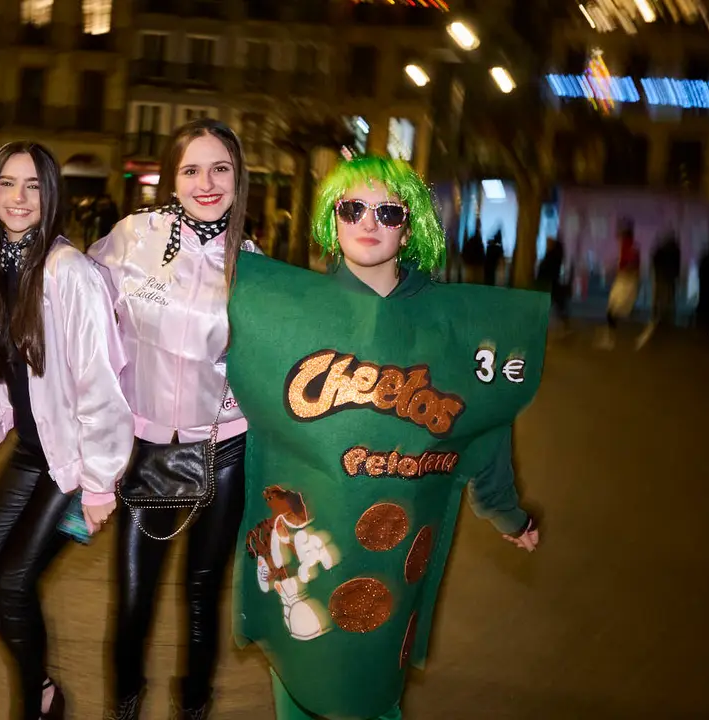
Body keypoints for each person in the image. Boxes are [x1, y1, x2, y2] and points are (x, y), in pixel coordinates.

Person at [227, 155, 545, 720]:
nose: (368, 221)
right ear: (333, 219)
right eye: (352, 208)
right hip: (310, 544)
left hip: (394, 558)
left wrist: (505, 512)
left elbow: (485, 421)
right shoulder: (290, 312)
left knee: (372, 692)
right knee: (301, 677)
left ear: (410, 223)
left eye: (387, 210)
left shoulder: (447, 325)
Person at [88, 118, 256, 720]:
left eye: (220, 169)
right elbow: (78, 307)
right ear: (171, 176)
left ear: (238, 178)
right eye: (191, 170)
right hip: (146, 446)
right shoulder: (133, 237)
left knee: (202, 598)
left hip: (225, 448)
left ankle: (194, 708)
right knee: (133, 600)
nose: (206, 183)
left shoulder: (254, 266)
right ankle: (125, 707)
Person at [0, 142, 133, 720]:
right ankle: (42, 691)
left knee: (12, 582)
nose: (18, 198)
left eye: (33, 186)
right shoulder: (1, 266)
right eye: (7, 184)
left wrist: (101, 484)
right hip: (33, 453)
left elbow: (101, 385)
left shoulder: (69, 272)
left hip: (79, 463)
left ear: (51, 196)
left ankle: (35, 706)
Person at [598, 221, 640, 349]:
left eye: (621, 235)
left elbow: (632, 266)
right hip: (623, 281)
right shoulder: (627, 247)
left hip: (626, 282)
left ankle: (611, 339)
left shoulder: (630, 248)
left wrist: (620, 270)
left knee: (613, 310)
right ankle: (610, 337)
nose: (618, 238)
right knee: (612, 310)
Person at [637, 232, 681, 349]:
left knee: (659, 298)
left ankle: (656, 319)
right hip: (668, 278)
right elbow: (676, 267)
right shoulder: (674, 251)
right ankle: (665, 320)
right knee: (667, 299)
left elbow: (654, 259)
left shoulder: (661, 251)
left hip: (660, 277)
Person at [536, 237, 571, 334]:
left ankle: (541, 324)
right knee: (558, 305)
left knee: (548, 305)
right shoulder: (555, 256)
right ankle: (564, 323)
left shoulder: (551, 256)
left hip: (549, 284)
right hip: (552, 284)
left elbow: (545, 270)